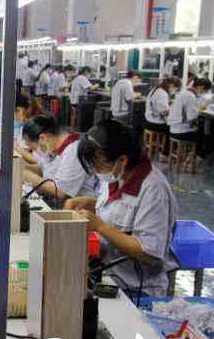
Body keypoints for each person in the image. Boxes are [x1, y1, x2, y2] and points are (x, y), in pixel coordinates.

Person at [67, 120, 178, 298]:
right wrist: (90, 203)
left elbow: (148, 252)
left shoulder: (154, 190)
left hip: (137, 289)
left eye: (98, 165)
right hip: (108, 276)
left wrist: (100, 226)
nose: (96, 171)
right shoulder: (116, 175)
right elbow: (121, 211)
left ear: (122, 160)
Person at [22, 115, 97, 202]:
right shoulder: (51, 147)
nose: (36, 152)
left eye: (34, 148)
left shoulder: (73, 151)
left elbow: (61, 191)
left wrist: (30, 177)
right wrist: (21, 168)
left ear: (43, 138)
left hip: (77, 205)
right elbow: (42, 168)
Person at [167, 77, 212, 169]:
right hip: (181, 131)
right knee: (211, 141)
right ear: (201, 87)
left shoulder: (184, 93)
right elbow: (191, 117)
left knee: (202, 135)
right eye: (205, 91)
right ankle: (191, 162)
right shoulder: (190, 96)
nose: (204, 93)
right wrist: (199, 110)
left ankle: (189, 158)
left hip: (174, 128)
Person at [144, 76, 181, 162]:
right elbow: (164, 112)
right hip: (155, 123)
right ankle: (165, 155)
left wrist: (169, 104)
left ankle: (164, 151)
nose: (174, 90)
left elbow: (160, 106)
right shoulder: (162, 93)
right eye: (175, 88)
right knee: (174, 130)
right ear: (171, 85)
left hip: (149, 120)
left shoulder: (156, 89)